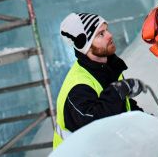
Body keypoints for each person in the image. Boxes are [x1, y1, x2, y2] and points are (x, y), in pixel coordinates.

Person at [53, 12, 145, 149]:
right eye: (101, 34)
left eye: (106, 30)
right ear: (85, 45)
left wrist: (148, 123)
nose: (110, 35)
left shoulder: (109, 68)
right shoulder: (78, 86)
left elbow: (123, 106)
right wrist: (116, 91)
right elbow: (94, 122)